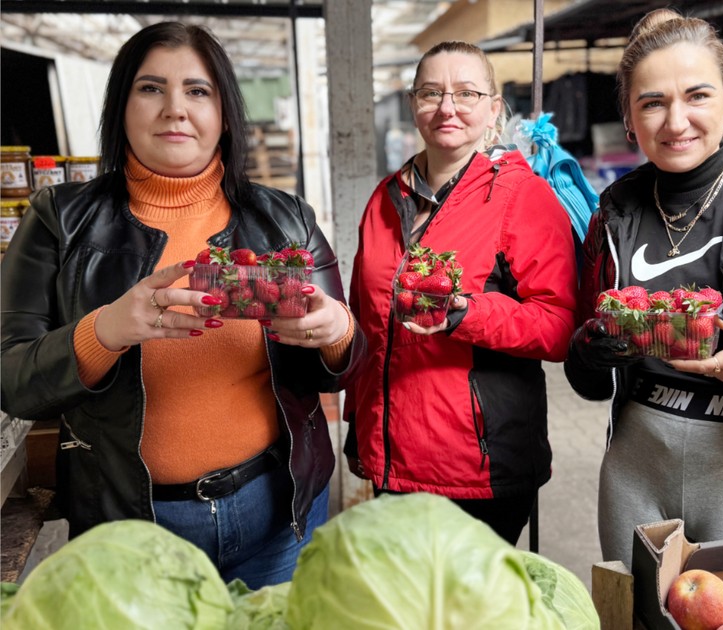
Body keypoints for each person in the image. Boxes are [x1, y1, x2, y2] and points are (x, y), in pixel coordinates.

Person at [0, 22, 364, 588]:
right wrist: (105, 331)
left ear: (225, 112)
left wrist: (337, 330)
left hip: (276, 513)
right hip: (131, 525)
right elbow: (12, 378)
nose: (175, 109)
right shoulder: (59, 220)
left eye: (198, 90)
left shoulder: (285, 217)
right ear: (121, 105)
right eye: (150, 88)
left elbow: (345, 366)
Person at [565, 9, 723, 568]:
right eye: (653, 102)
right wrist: (592, 347)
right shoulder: (613, 214)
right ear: (629, 118)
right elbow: (588, 383)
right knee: (635, 617)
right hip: (636, 464)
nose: (676, 122)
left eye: (696, 95)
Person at [344, 41, 577, 546]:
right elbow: (367, 321)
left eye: (467, 93)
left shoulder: (522, 196)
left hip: (478, 470)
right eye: (432, 93)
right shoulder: (384, 199)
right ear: (413, 105)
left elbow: (558, 326)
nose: (447, 107)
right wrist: (356, 428)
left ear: (493, 107)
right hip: (392, 460)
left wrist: (466, 315)